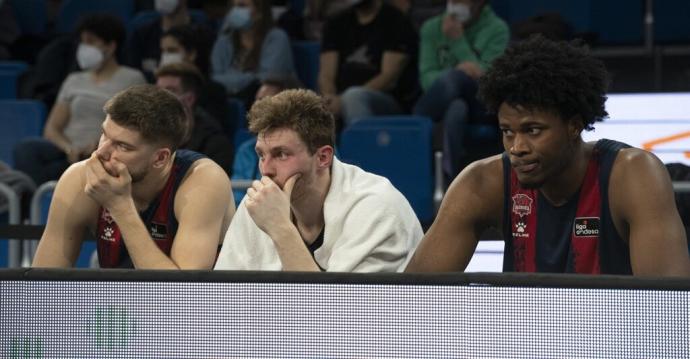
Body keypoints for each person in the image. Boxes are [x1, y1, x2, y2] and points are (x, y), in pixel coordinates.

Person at [406, 35, 690, 276]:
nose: (517, 147)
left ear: (574, 125)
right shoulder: (483, 181)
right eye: (507, 131)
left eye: (533, 130)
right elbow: (414, 297)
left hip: (619, 336)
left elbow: (668, 307)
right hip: (526, 337)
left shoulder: (632, 175)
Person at [215, 89, 422, 271]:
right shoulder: (258, 206)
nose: (265, 170)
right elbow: (223, 300)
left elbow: (333, 312)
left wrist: (280, 228)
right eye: (261, 155)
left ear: (323, 157)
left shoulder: (376, 208)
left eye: (281, 154)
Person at [32, 84, 235, 269]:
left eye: (122, 146)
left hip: (197, 308)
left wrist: (121, 207)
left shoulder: (203, 183)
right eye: (104, 134)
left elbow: (182, 295)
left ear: (160, 158)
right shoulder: (79, 178)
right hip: (117, 306)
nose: (101, 152)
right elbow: (42, 283)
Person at [14, 14, 146, 186]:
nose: (84, 48)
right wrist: (69, 148)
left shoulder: (132, 79)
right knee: (26, 150)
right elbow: (52, 128)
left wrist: (103, 144)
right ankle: (37, 205)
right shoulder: (74, 79)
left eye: (91, 42)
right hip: (66, 151)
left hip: (104, 151)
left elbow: (133, 127)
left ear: (111, 46)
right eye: (82, 42)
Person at [413, 0, 509, 179]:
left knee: (454, 79)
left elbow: (488, 83)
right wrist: (462, 70)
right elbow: (426, 80)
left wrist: (458, 42)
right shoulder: (432, 28)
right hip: (439, 104)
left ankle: (415, 125)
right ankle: (450, 180)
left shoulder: (497, 29)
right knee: (457, 107)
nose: (455, 4)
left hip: (480, 105)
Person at [319, 0, 419, 127]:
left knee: (354, 97)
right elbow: (326, 74)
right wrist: (330, 98)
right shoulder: (336, 22)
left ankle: (362, 145)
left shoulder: (396, 20)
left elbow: (388, 78)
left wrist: (344, 101)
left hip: (386, 101)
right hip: (340, 98)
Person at [211, 0, 295, 108]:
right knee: (211, 90)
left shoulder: (277, 38)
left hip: (259, 94)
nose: (235, 10)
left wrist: (230, 79)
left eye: (242, 5)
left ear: (260, 11)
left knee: (261, 89)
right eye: (233, 6)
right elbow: (216, 77)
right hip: (229, 93)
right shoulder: (225, 39)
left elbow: (267, 78)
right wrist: (249, 78)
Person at [155, 62, 235, 176]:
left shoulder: (215, 143)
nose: (159, 97)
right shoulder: (147, 135)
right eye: (158, 90)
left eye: (170, 91)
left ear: (189, 99)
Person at [159, 24, 232, 138]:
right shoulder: (155, 84)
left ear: (192, 54)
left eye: (172, 50)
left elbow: (214, 133)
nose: (165, 56)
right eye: (163, 51)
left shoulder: (214, 92)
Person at [127, 0, 215, 80]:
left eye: (171, 50)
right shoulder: (141, 34)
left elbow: (208, 72)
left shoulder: (204, 35)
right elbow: (132, 73)